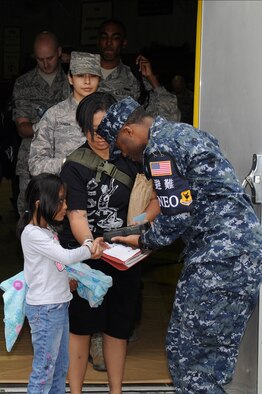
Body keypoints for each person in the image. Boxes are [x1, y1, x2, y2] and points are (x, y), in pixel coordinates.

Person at [92, 94, 262, 394]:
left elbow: (177, 216)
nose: (127, 155)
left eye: (121, 146)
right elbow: (189, 199)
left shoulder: (159, 149)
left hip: (218, 259)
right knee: (208, 359)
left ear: (129, 131)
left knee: (191, 362)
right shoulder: (185, 132)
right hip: (237, 253)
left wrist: (142, 240)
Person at [58, 92, 160, 394]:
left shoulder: (133, 156)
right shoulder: (75, 165)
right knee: (81, 327)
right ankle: (74, 391)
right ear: (83, 130)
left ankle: (116, 390)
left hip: (125, 256)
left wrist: (138, 228)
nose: (99, 137)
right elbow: (76, 216)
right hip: (85, 256)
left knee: (118, 326)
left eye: (104, 129)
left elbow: (157, 198)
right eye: (91, 130)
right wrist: (90, 245)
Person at [16, 172, 105, 394]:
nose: (66, 206)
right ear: (40, 203)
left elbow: (53, 265)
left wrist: (67, 280)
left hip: (58, 306)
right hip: (45, 311)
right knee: (44, 371)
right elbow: (64, 257)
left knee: (58, 368)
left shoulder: (47, 231)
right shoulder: (32, 233)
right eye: (61, 200)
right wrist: (89, 247)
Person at [12, 31, 70, 216]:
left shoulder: (74, 80)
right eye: (40, 59)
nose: (45, 64)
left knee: (66, 215)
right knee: (30, 216)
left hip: (65, 161)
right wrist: (49, 127)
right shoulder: (24, 83)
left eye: (50, 58)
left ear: (60, 52)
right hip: (32, 161)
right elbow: (22, 128)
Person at [29, 51, 102, 176]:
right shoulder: (54, 115)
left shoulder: (111, 113)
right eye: (80, 75)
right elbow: (36, 165)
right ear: (70, 78)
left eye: (93, 76)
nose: (87, 81)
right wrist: (68, 163)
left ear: (99, 79)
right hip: (66, 190)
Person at [97, 19, 181, 121]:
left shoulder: (136, 78)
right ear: (98, 41)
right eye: (104, 37)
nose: (109, 42)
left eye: (115, 38)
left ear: (124, 43)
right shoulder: (82, 75)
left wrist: (151, 78)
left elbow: (171, 116)